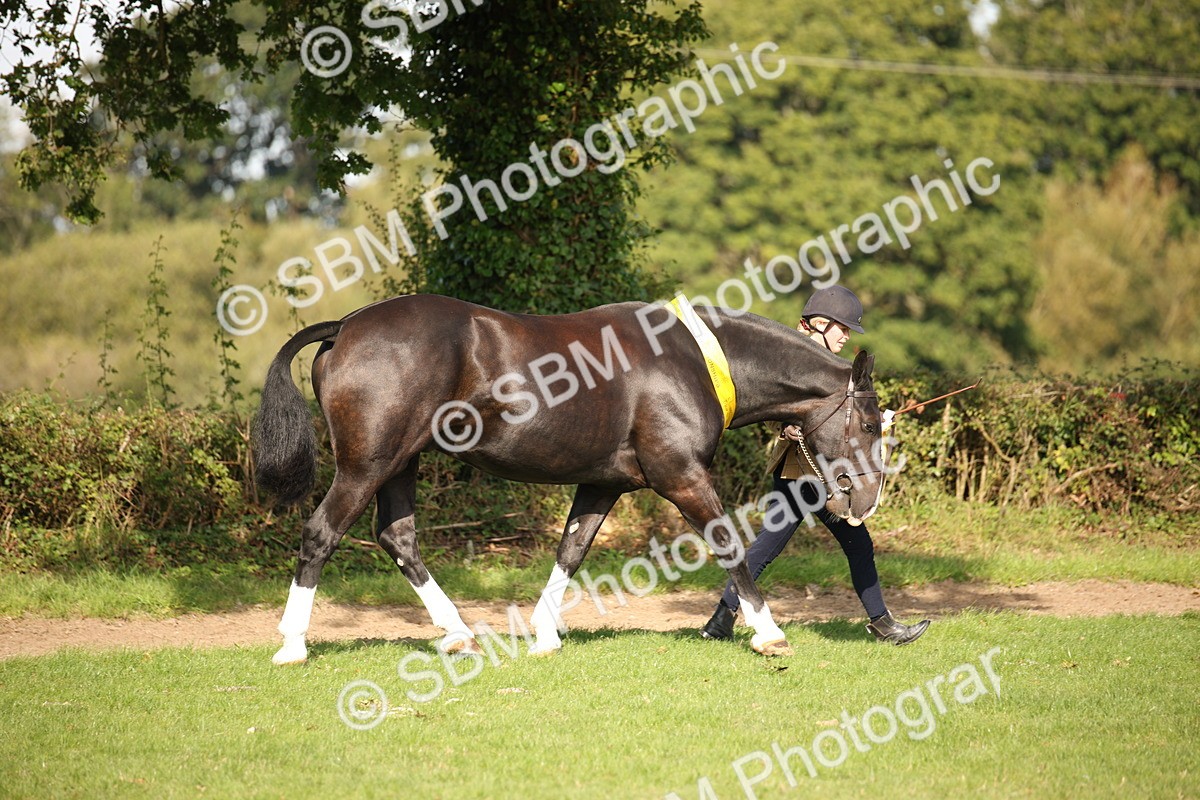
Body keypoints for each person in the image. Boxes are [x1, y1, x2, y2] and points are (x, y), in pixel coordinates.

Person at [700, 285, 930, 646]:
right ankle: (883, 625)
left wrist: (876, 423)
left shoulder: (835, 369)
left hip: (822, 475)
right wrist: (786, 427)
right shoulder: (793, 358)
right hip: (802, 475)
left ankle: (721, 619)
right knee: (796, 547)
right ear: (821, 324)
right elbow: (765, 403)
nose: (847, 336)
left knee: (788, 546)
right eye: (843, 328)